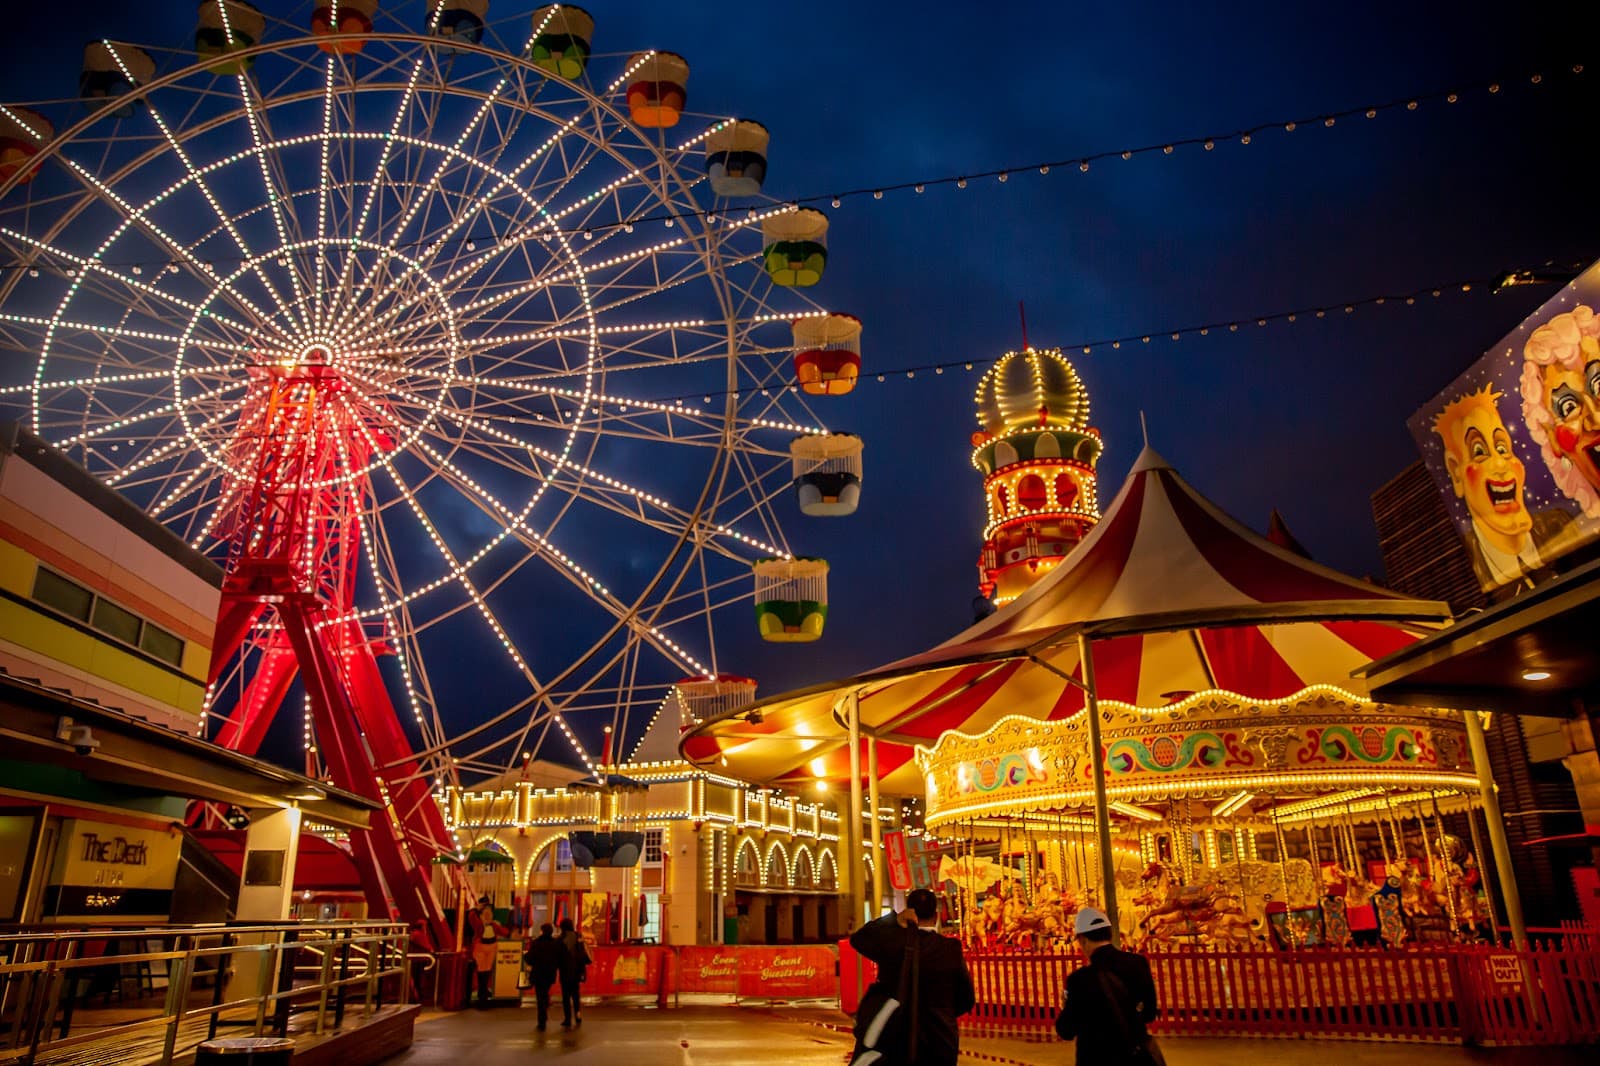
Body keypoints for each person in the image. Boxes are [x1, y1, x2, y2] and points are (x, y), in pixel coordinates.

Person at [847, 888, 975, 1066]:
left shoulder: (893, 945)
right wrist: (943, 1013)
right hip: (940, 1041)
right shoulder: (950, 949)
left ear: (909, 912)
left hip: (897, 1039)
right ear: (936, 916)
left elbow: (858, 939)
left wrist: (893, 920)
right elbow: (966, 998)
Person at [1055, 908, 1162, 1066]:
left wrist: (1065, 1007)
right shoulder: (1138, 964)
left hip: (1096, 1058)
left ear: (1083, 939)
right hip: (1134, 1057)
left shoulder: (1079, 980)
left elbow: (1066, 1030)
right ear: (1109, 934)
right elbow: (1149, 1014)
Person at [523, 922, 568, 1032]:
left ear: (542, 931)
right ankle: (544, 1011)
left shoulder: (536, 943)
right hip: (549, 973)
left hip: (538, 973)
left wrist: (525, 956)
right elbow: (560, 958)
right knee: (544, 993)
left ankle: (541, 1020)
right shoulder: (555, 943)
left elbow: (529, 958)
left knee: (540, 996)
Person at [470, 897, 507, 1008]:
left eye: (489, 913)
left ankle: (484, 993)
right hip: (481, 947)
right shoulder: (479, 925)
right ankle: (482, 995)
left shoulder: (494, 925)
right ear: (480, 916)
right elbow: (471, 917)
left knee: (486, 972)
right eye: (485, 914)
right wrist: (476, 909)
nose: (487, 916)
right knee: (481, 972)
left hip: (492, 948)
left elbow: (505, 932)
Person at [557, 917, 591, 1027]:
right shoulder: (578, 936)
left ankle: (567, 1019)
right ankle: (578, 1014)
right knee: (576, 995)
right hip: (576, 970)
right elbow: (582, 953)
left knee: (566, 997)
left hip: (565, 971)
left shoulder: (560, 939)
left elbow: (558, 956)